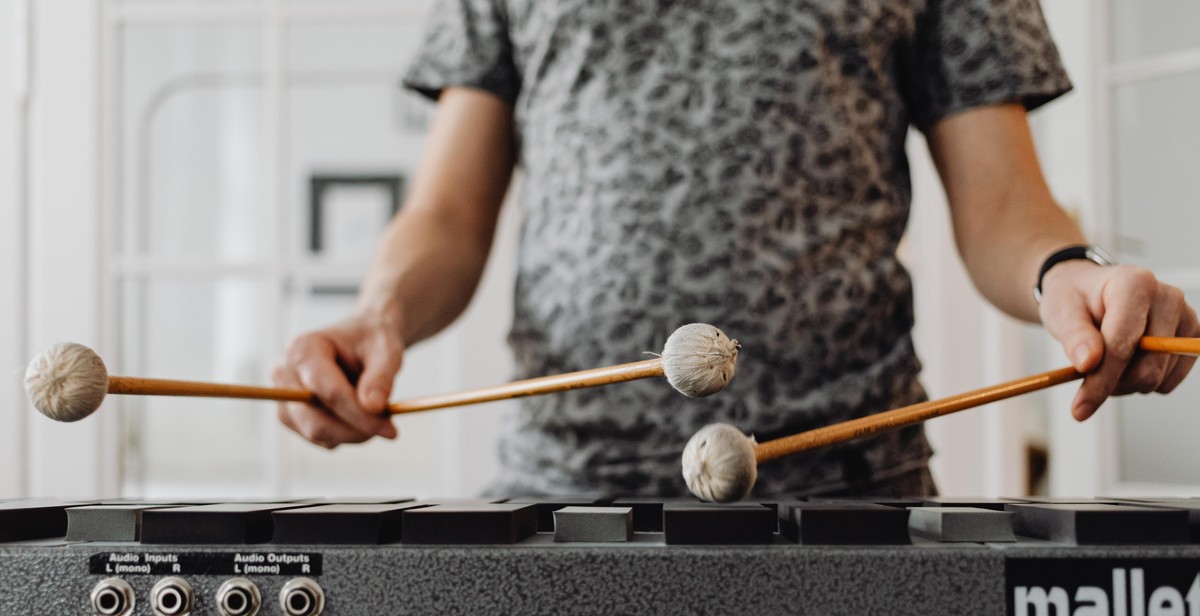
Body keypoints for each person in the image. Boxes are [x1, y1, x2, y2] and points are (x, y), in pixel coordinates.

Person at [272, 0, 1197, 497]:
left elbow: (1004, 209)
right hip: (560, 490)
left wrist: (1069, 272)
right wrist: (376, 315)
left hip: (847, 488)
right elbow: (447, 214)